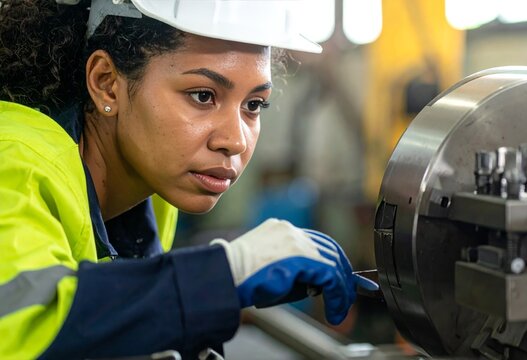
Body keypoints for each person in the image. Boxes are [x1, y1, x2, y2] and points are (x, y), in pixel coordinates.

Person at [0, 0, 378, 359]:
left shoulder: (152, 194)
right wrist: (221, 276)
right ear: (106, 83)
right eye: (202, 96)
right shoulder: (15, 160)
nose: (234, 140)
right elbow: (18, 331)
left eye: (253, 106)